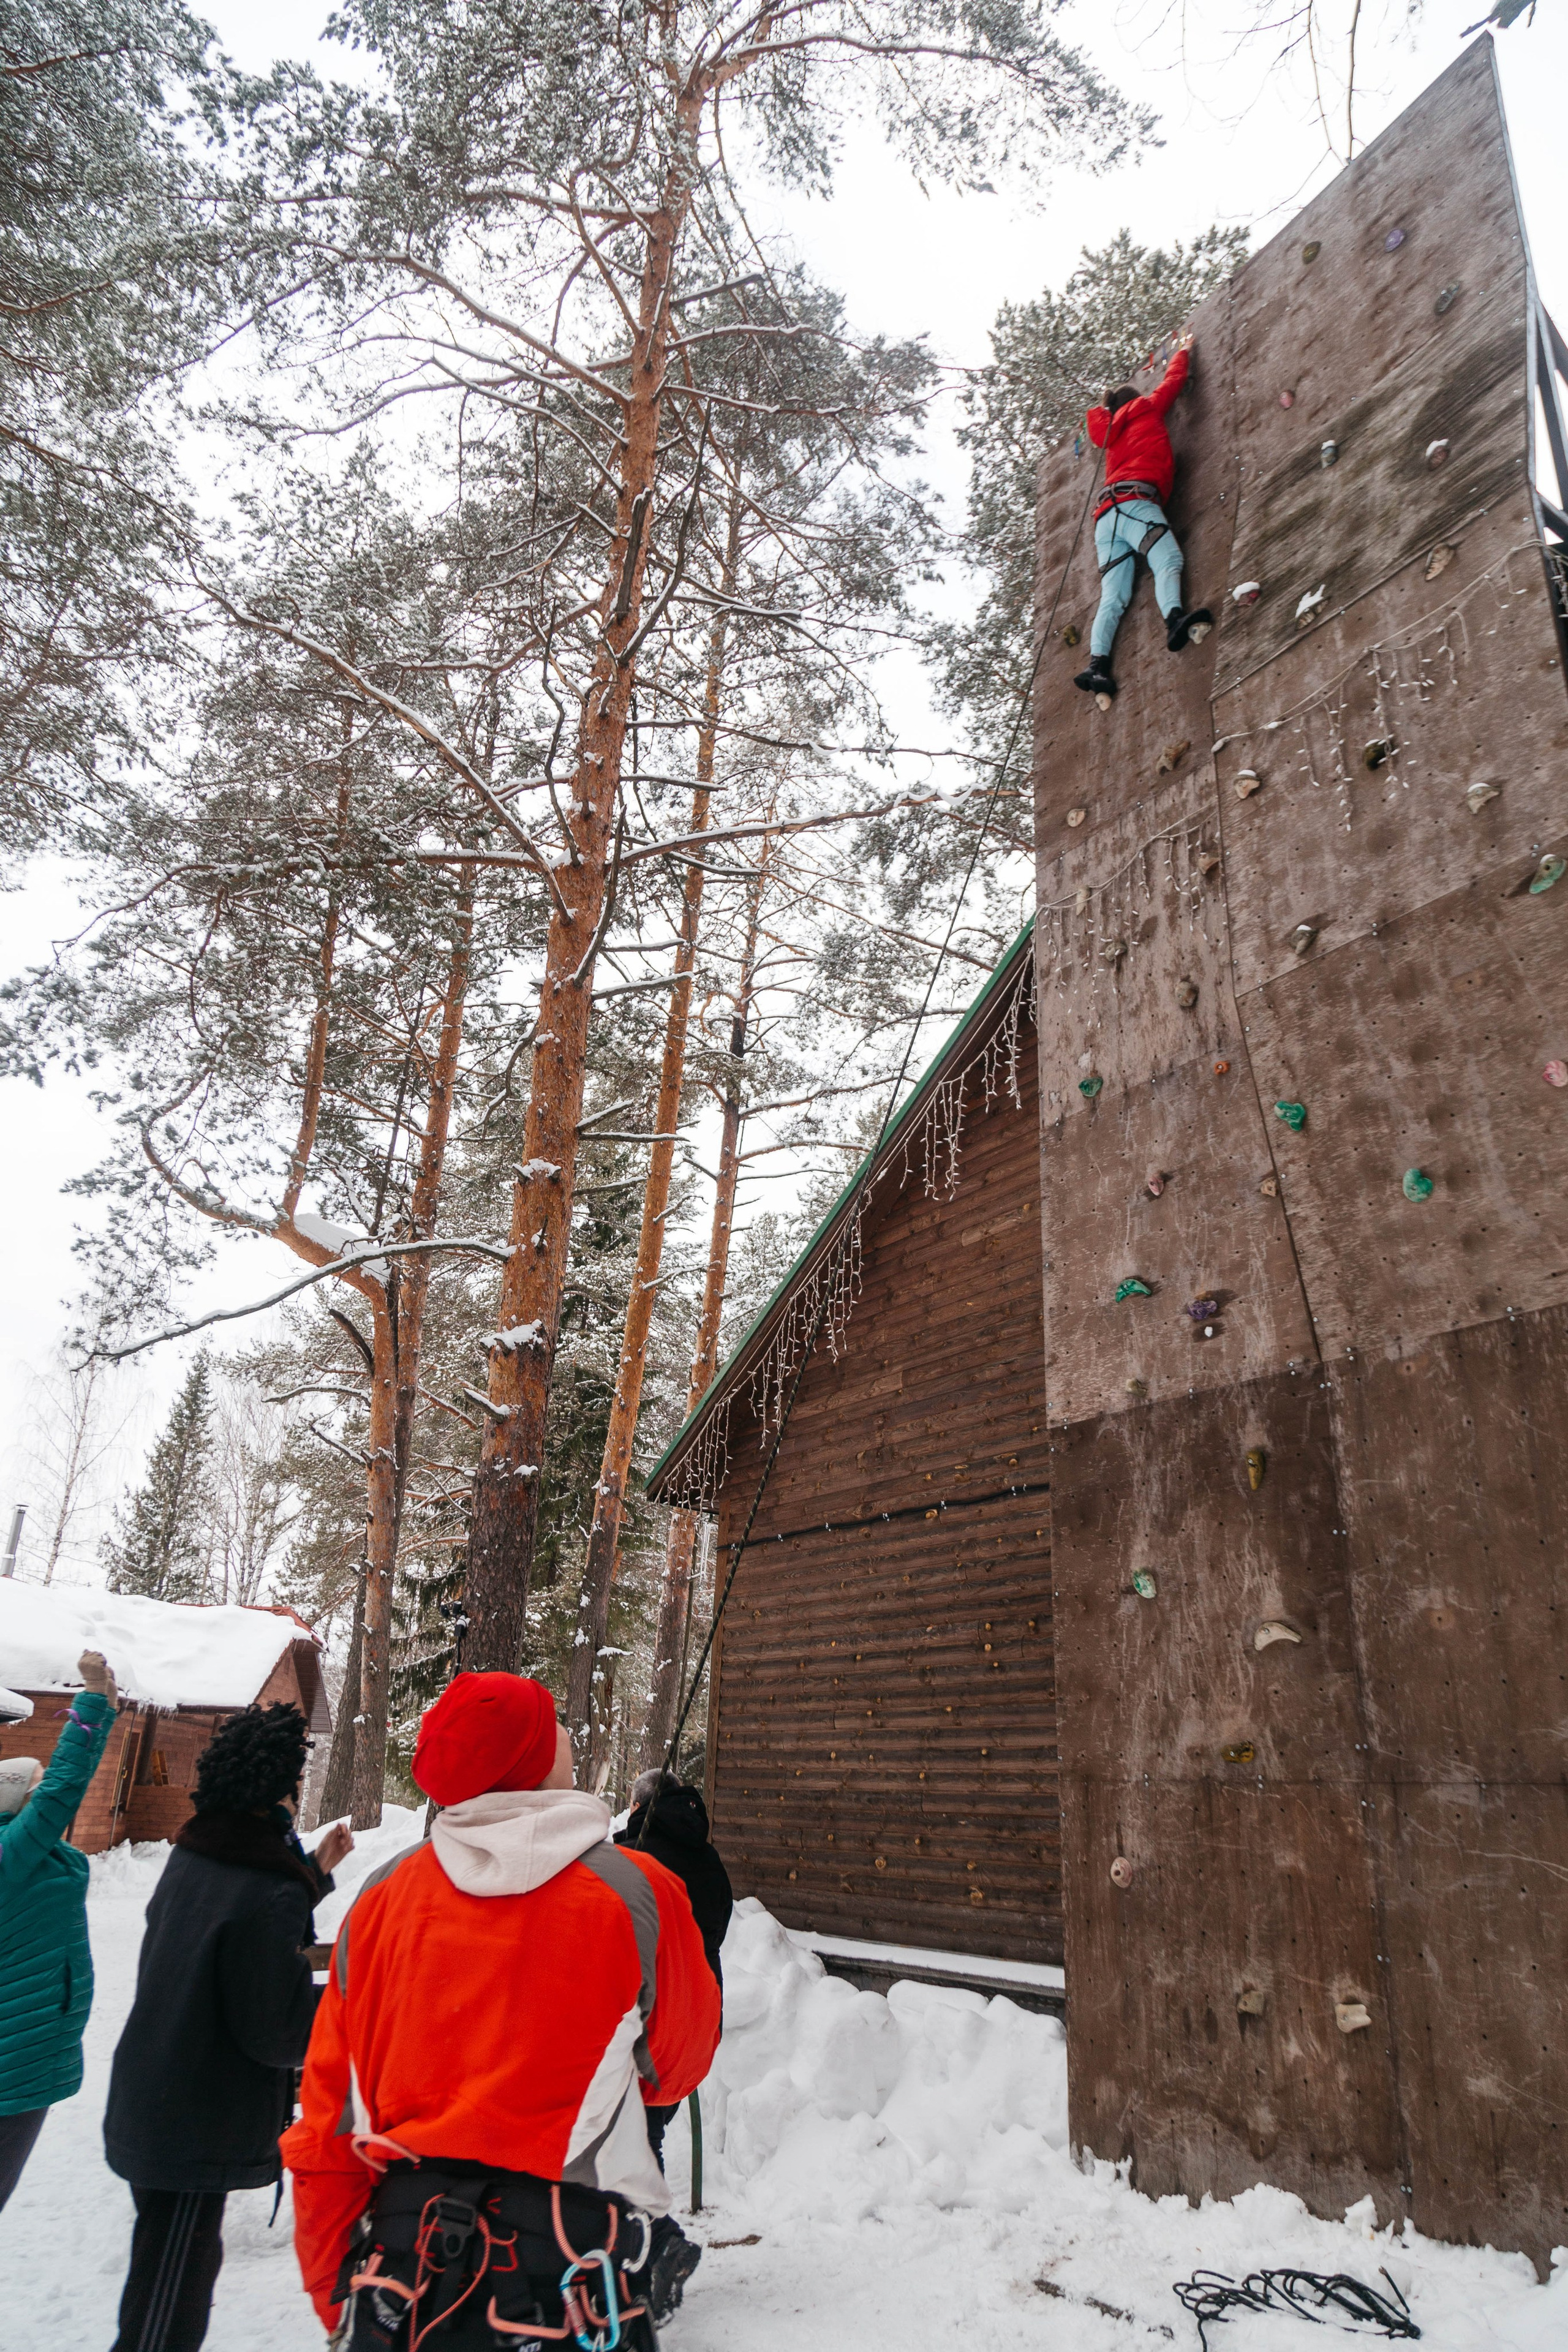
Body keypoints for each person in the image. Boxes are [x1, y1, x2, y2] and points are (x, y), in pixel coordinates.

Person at [282, 1673, 721, 2348]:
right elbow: (678, 2065)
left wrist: (336, 2290)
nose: (569, 1736)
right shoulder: (640, 1890)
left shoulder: (382, 1897)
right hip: (566, 2267)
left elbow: (330, 2118)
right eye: (553, 1725)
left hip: (405, 2271)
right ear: (531, 1760)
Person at [103, 1700, 353, 2352]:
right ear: (280, 1787)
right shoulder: (265, 1885)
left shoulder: (199, 1855)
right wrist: (354, 2005)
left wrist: (312, 1873)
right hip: (196, 2120)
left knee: (164, 2278)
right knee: (166, 2311)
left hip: (155, 2095)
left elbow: (239, 1919)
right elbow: (276, 2032)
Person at [0, 1648, 118, 2212]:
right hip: (12, 2068)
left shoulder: (30, 1854)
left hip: (24, 2058)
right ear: (23, 1802)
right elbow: (67, 1781)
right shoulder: (13, 1853)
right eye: (37, 1790)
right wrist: (94, 1698)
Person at [613, 1768, 734, 2316]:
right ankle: (650, 2248)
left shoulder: (635, 1856)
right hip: (695, 2016)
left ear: (640, 1806)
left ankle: (652, 2246)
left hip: (643, 2016)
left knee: (623, 2138)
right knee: (646, 2132)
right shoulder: (708, 1861)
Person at [1075, 332, 1213, 705]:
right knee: (1167, 558)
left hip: (1106, 518)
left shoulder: (1109, 433)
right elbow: (1173, 381)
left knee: (1114, 596)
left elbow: (1102, 428)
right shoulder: (1147, 408)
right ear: (1135, 400)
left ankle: (1097, 665)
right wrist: (1183, 351)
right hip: (1136, 501)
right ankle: (1174, 621)